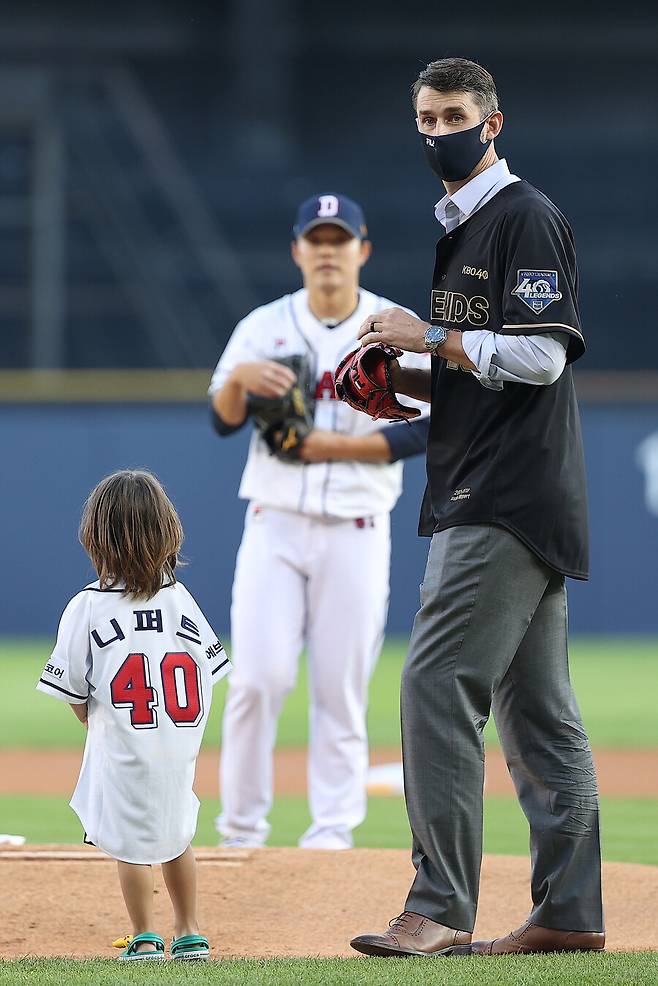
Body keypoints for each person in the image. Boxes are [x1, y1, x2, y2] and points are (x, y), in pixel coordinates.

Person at [348, 58, 605, 956]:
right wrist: (410, 374)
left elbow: (541, 359)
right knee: (536, 709)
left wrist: (432, 336)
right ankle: (570, 915)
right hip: (506, 482)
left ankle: (439, 908)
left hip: (501, 491)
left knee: (433, 682)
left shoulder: (522, 216)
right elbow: (482, 366)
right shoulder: (462, 223)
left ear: (493, 123)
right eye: (424, 117)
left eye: (453, 114)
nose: (436, 131)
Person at [208, 193, 429, 850]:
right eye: (316, 239)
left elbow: (434, 427)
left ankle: (331, 833)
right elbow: (221, 419)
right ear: (298, 251)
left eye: (340, 239)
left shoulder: (395, 325)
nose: (328, 251)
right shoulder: (262, 327)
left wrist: (337, 448)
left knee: (341, 685)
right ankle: (240, 829)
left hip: (357, 527)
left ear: (362, 250)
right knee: (256, 679)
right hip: (275, 522)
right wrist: (238, 378)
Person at [36, 470, 230, 962]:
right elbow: (208, 670)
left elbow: (74, 690)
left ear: (95, 537)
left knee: (130, 843)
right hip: (175, 743)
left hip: (124, 744)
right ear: (167, 531)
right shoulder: (181, 599)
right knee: (177, 834)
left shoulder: (87, 606)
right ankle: (190, 932)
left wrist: (97, 721)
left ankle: (144, 935)